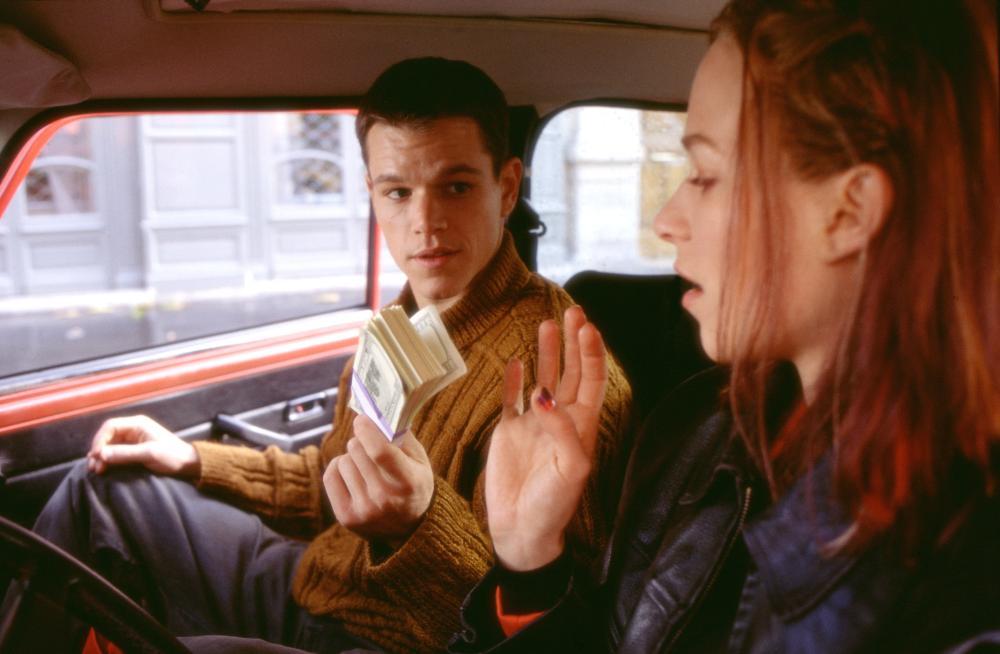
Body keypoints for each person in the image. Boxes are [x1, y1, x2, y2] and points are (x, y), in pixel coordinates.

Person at [30, 58, 631, 654]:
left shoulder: (564, 376)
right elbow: (330, 480)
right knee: (102, 489)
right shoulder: (402, 325)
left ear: (505, 188)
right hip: (310, 584)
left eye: (456, 186)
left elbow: (541, 625)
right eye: (398, 191)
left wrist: (418, 524)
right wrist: (191, 458)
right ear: (372, 193)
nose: (424, 222)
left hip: (393, 641)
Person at [450, 1, 999, 652]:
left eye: (705, 175)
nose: (668, 220)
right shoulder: (701, 436)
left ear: (850, 212)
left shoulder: (962, 594)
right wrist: (530, 560)